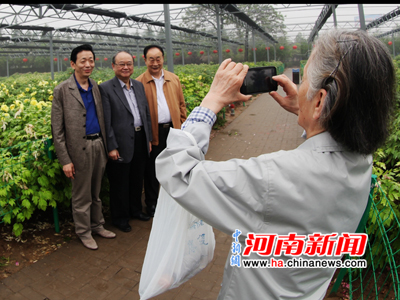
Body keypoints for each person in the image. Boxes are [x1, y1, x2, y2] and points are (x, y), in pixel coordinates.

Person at [154, 29, 395, 299]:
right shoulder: (362, 160)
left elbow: (178, 170)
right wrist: (309, 113)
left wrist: (212, 101)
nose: (299, 86)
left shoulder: (274, 177)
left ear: (320, 100)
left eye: (302, 79)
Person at [51, 44, 116, 250]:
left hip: (98, 145)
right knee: (81, 195)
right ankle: (84, 232)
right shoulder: (62, 90)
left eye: (91, 60)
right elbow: (57, 130)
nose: (88, 65)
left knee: (95, 192)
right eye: (83, 61)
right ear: (73, 64)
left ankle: (97, 226)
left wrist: (106, 147)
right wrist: (65, 160)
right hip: (78, 150)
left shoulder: (96, 87)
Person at [99, 51, 153, 233]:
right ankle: (120, 217)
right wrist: (111, 145)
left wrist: (149, 139)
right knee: (120, 182)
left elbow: (145, 113)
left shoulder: (138, 85)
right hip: (120, 142)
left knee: (137, 179)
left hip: (139, 138)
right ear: (113, 66)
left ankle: (136, 210)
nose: (125, 67)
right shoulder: (106, 88)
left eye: (129, 63)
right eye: (121, 64)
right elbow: (106, 121)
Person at [136, 45, 187, 217]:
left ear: (163, 59)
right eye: (151, 59)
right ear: (145, 60)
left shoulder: (173, 79)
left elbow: (181, 104)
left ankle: (174, 201)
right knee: (152, 170)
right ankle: (152, 203)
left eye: (158, 59)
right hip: (153, 132)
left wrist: (182, 124)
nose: (155, 63)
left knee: (174, 166)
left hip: (172, 129)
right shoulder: (138, 83)